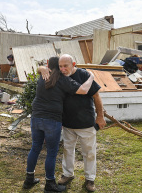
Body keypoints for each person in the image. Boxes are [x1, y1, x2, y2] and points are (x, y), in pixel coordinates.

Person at [23, 56, 95, 193]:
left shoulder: (42, 77)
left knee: (35, 148)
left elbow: (41, 69)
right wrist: (91, 77)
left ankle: (29, 179)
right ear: (59, 67)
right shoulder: (63, 80)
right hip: (52, 120)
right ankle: (50, 184)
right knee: (51, 153)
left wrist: (41, 68)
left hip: (36, 118)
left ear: (48, 66)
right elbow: (83, 90)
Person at [40, 54, 106, 192]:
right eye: (60, 66)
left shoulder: (83, 75)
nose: (63, 69)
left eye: (66, 66)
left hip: (86, 123)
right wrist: (41, 68)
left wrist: (100, 116)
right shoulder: (59, 76)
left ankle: (90, 178)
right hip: (68, 123)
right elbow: (41, 69)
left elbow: (96, 96)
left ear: (73, 64)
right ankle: (68, 174)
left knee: (89, 153)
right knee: (68, 150)